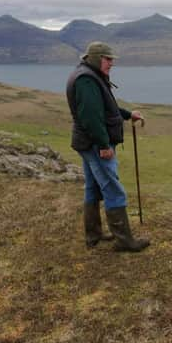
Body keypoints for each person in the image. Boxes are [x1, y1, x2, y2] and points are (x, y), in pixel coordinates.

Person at [66, 42, 150, 252]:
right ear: (95, 58)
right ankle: (124, 241)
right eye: (108, 59)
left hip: (87, 143)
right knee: (113, 188)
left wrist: (128, 114)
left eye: (112, 59)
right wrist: (103, 144)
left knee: (93, 187)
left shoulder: (89, 75)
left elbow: (105, 107)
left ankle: (93, 235)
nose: (111, 63)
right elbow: (91, 117)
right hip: (95, 144)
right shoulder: (86, 79)